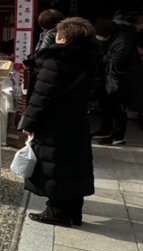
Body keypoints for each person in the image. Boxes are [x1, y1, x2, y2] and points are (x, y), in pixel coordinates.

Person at [21, 17, 99, 228]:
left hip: (54, 121)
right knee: (74, 166)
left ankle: (57, 211)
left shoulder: (57, 60)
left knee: (56, 167)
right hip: (77, 119)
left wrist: (28, 122)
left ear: (64, 36)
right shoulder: (91, 58)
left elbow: (42, 95)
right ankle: (73, 211)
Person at [92, 18, 143, 146]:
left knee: (118, 108)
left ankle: (118, 135)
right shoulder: (112, 40)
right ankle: (106, 130)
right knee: (108, 106)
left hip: (122, 79)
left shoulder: (122, 41)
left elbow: (115, 61)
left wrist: (102, 58)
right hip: (113, 77)